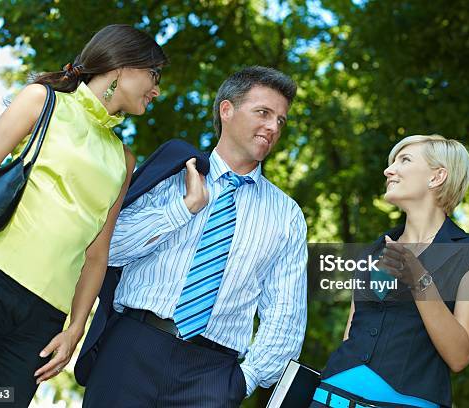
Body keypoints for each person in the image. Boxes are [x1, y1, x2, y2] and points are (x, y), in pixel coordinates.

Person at [0, 24, 167, 407]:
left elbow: (98, 255)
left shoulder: (123, 160)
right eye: (154, 75)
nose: (157, 89)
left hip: (42, 323)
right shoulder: (42, 101)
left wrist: (75, 329)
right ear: (122, 66)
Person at [82, 66, 308, 408]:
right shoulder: (172, 173)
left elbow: (286, 312)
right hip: (132, 349)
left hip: (213, 376)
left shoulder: (287, 215)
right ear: (227, 110)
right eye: (263, 112)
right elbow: (109, 249)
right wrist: (184, 208)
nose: (273, 126)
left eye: (281, 120)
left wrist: (244, 381)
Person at [311, 135, 469, 408]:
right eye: (391, 163)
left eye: (404, 160)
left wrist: (419, 280)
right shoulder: (372, 253)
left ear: (437, 177)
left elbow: (460, 356)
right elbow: (351, 337)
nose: (389, 170)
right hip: (329, 397)